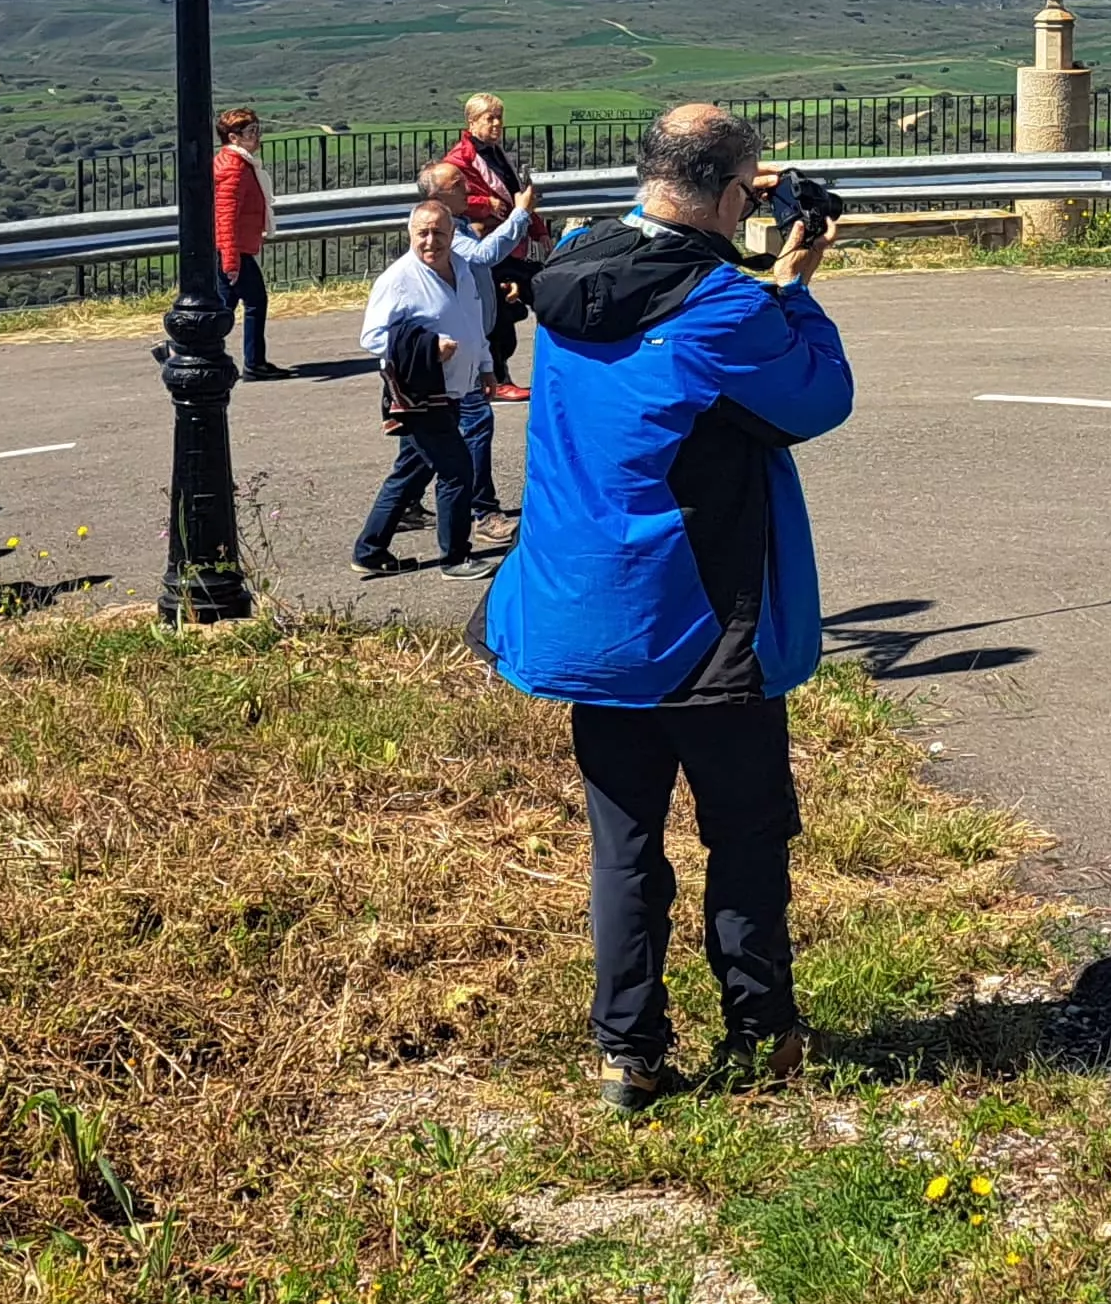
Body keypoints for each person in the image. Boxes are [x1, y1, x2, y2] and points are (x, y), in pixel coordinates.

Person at [483, 104, 853, 1112]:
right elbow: (816, 401)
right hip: (700, 621)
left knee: (626, 844)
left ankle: (627, 1055)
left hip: (589, 617)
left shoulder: (569, 273)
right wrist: (795, 287)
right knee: (743, 832)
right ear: (734, 195)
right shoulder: (724, 306)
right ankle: (760, 1032)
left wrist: (743, 239)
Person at [353, 196, 488, 575]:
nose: (431, 241)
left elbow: (473, 324)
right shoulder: (397, 281)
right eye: (422, 233)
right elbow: (372, 337)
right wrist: (430, 347)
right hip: (419, 394)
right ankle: (455, 557)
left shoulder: (461, 269)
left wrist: (487, 367)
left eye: (439, 233)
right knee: (458, 471)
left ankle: (369, 551)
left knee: (411, 471)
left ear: (452, 234)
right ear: (410, 234)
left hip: (454, 389)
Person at [442, 96, 542, 392]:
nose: (497, 123)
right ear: (471, 122)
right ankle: (496, 379)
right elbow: (447, 195)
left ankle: (499, 376)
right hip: (485, 241)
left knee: (521, 295)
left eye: (499, 116)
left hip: (508, 242)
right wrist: (484, 203)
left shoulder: (495, 153)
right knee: (496, 311)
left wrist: (537, 228)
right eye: (489, 118)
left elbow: (517, 194)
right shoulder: (459, 159)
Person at [211, 110, 282, 378]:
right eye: (251, 132)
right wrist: (231, 259)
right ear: (234, 137)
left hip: (232, 247)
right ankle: (255, 363)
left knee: (223, 308)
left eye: (257, 130)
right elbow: (226, 217)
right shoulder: (235, 169)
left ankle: (183, 349)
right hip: (234, 248)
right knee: (255, 302)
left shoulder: (233, 162)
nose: (258, 136)